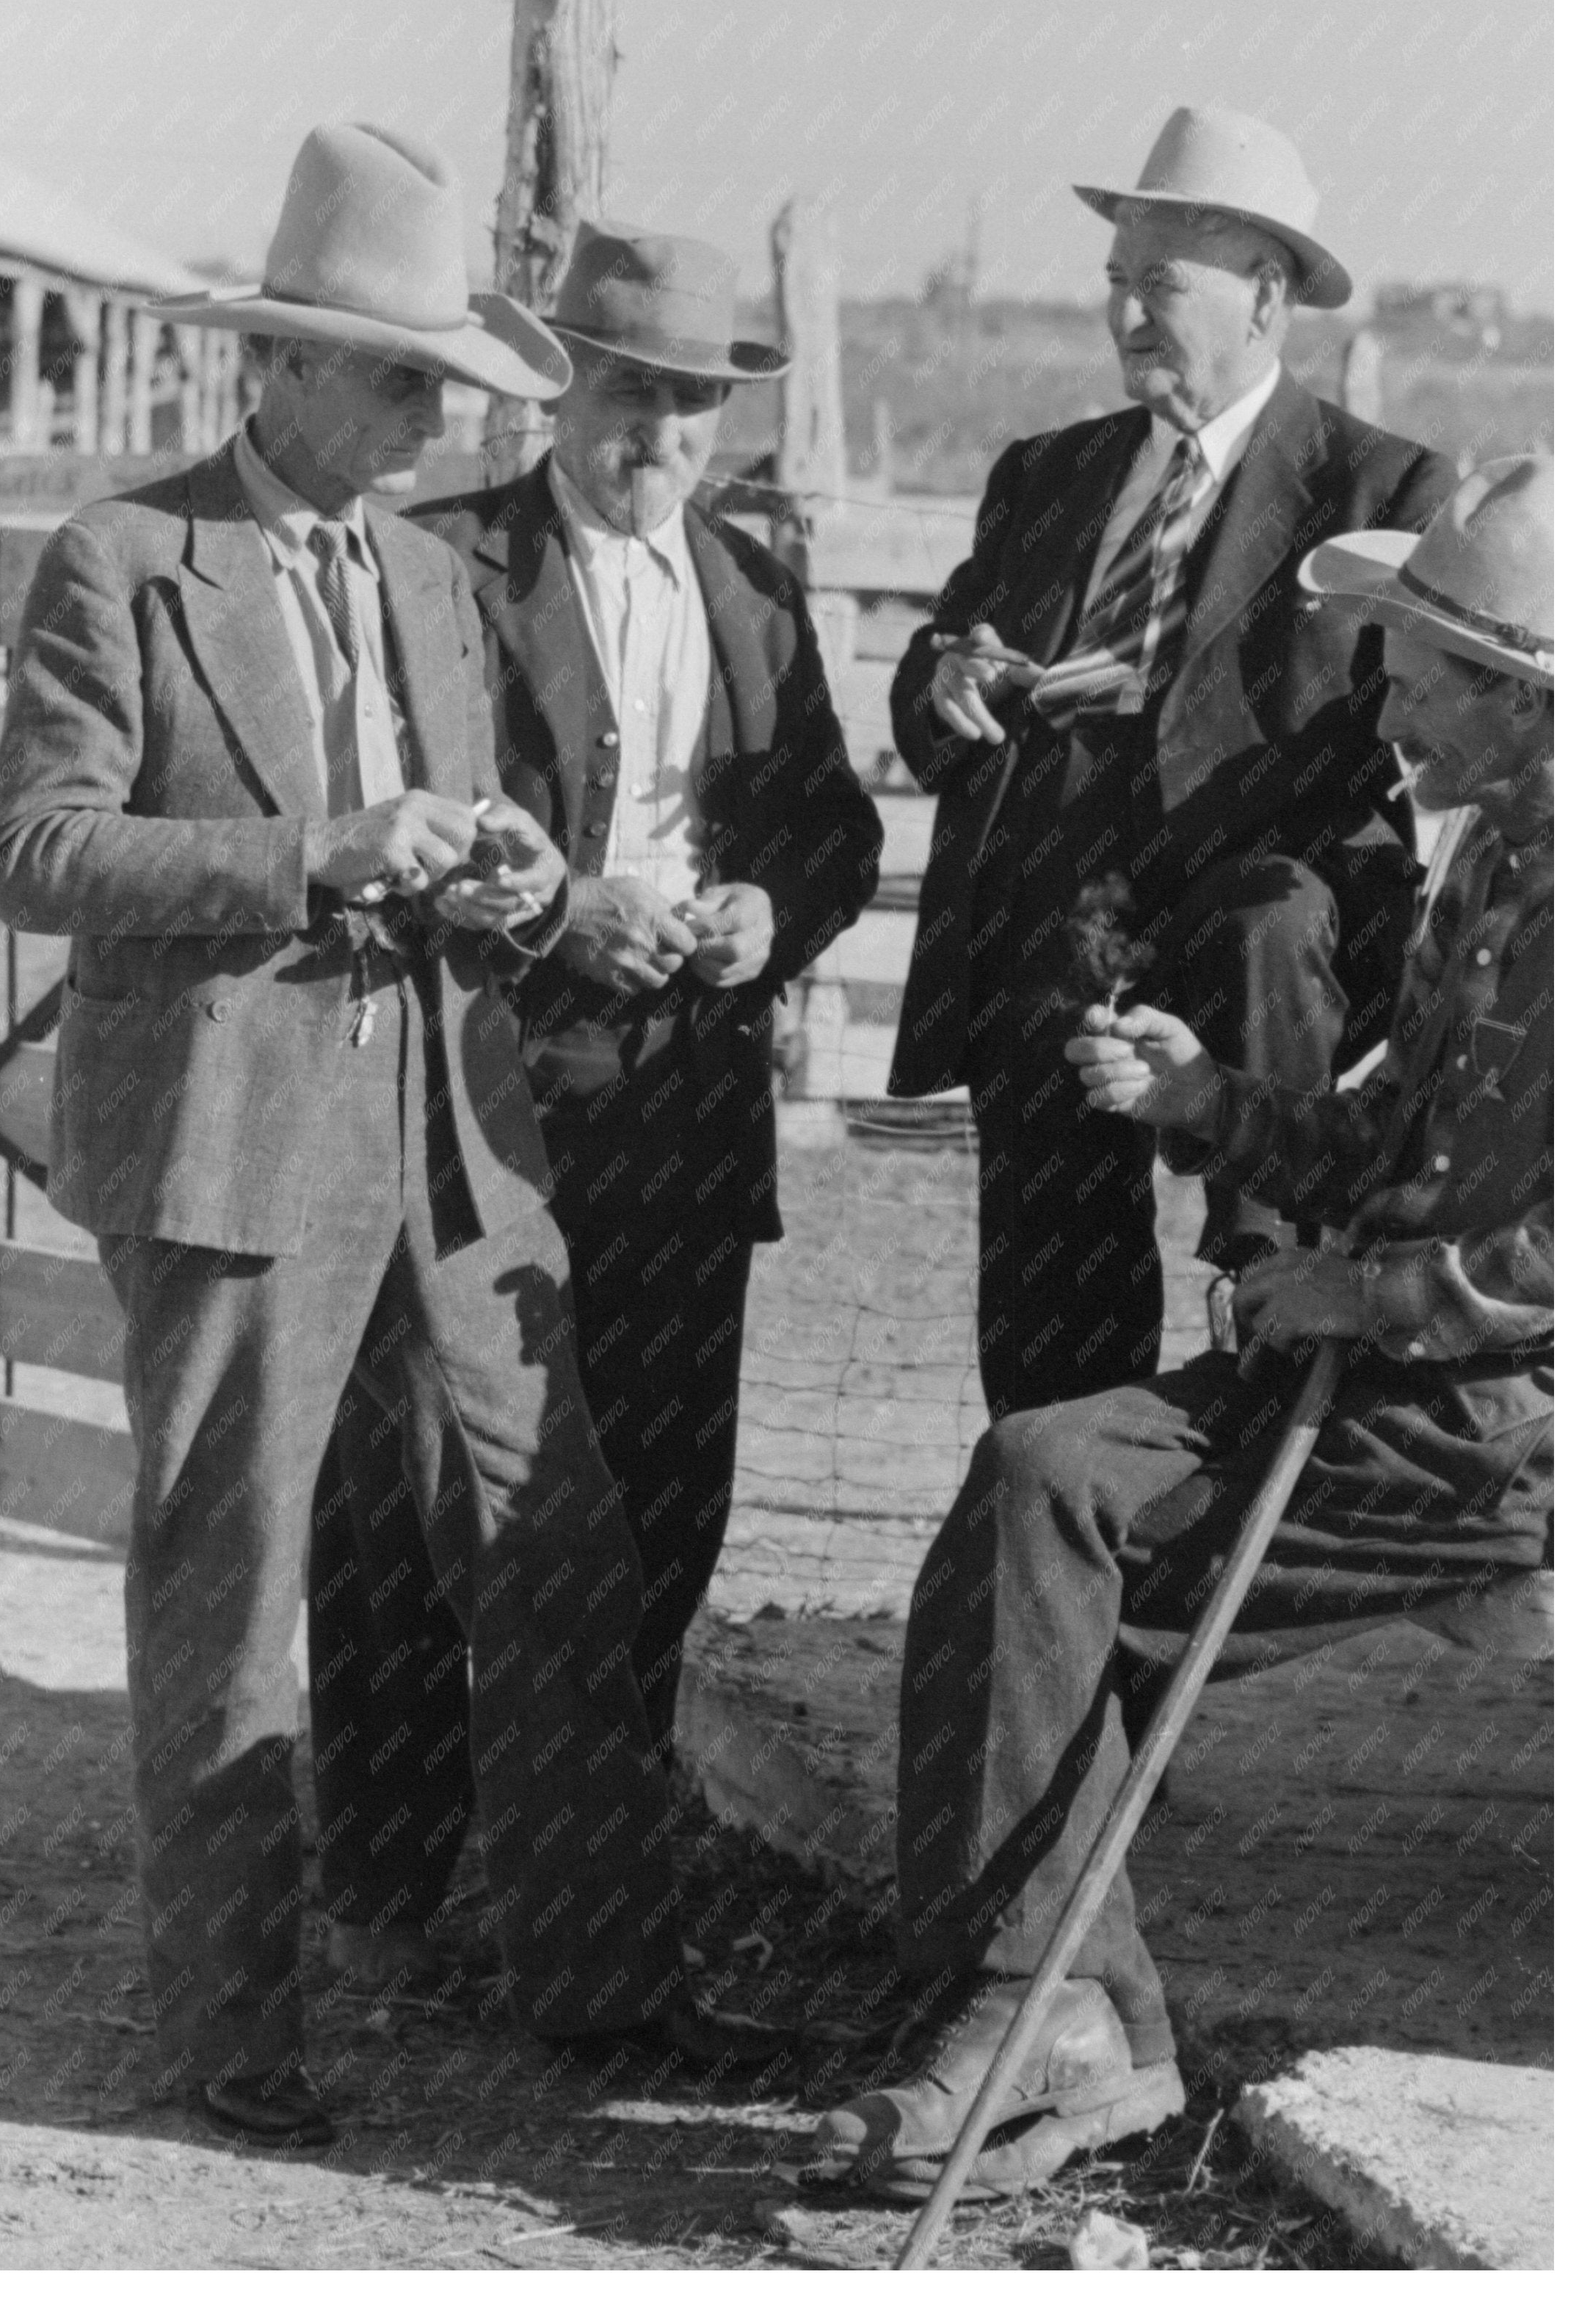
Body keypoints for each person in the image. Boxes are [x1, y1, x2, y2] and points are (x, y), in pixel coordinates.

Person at [0, 124, 767, 2151]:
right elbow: (41, 850)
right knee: (232, 1573)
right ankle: (231, 2033)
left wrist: (519, 886)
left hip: (457, 1126)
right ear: (295, 367)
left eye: (448, 384)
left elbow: (468, 838)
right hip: (238, 1130)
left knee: (555, 1532)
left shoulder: (427, 573)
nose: (441, 420)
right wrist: (316, 849)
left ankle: (603, 1981)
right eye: (410, 377)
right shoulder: (124, 559)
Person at [810, 456, 1553, 2201]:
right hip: (1383, 1374)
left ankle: (1043, 2010)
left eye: (1421, 666)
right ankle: (1055, 2005)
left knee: (1056, 1528)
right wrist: (1214, 1095)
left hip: (1486, 1427)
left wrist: (1358, 1290)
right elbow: (1388, 1144)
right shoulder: (1494, 862)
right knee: (1026, 1482)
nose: (1384, 697)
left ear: (1518, 699)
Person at [310, 223, 883, 1976]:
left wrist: (764, 914)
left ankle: (586, 1889)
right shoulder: (444, 569)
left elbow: (833, 831)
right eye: (634, 394)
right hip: (485, 1097)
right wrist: (562, 909)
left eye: (696, 405)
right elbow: (386, 809)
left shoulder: (753, 595)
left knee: (662, 1488)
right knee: (423, 1490)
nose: (664, 436)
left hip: (683, 1112)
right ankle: (391, 1888)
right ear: (562, 389)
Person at [889, 106, 1456, 1420]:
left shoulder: (1382, 493)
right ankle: (1065, 1538)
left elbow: (1427, 737)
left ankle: (1264, 1303)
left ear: (1266, 297)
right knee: (1049, 1330)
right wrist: (950, 678)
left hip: (1260, 949)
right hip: (1061, 938)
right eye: (1116, 284)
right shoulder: (1043, 477)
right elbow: (936, 698)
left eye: (1163, 284)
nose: (1128, 316)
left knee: (1271, 929)